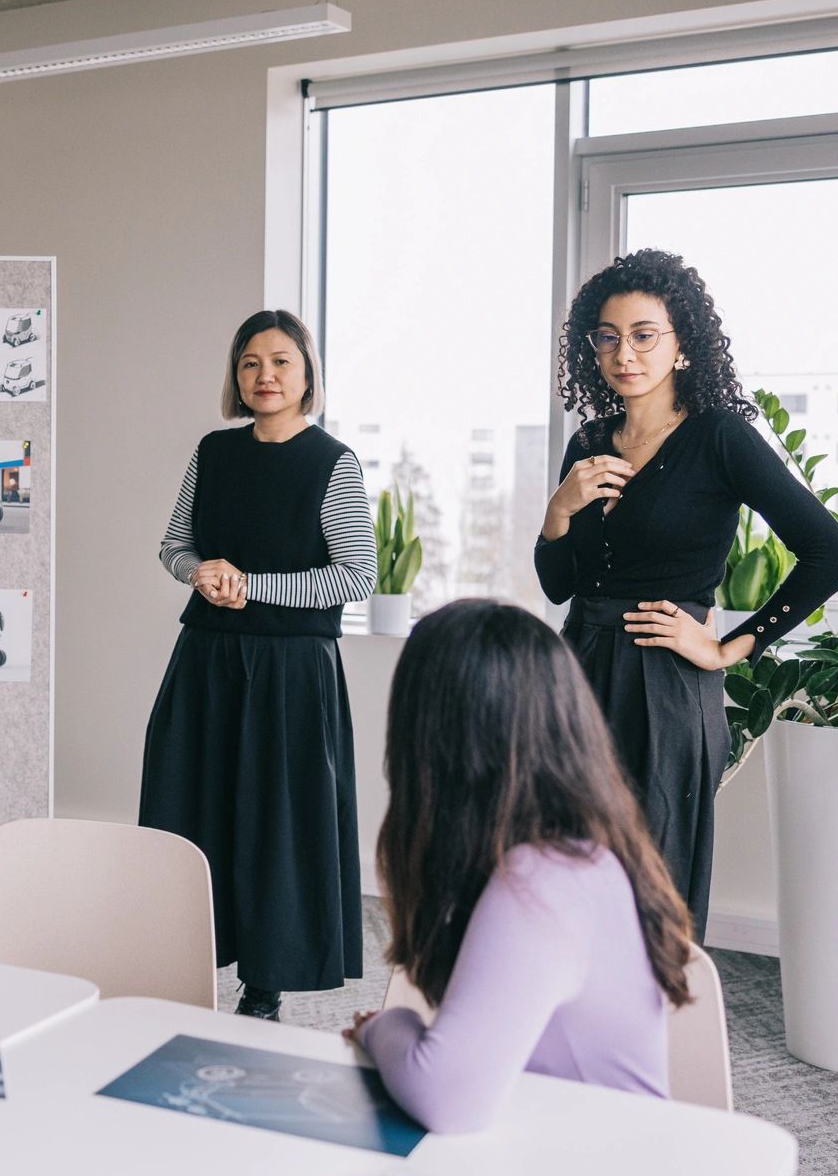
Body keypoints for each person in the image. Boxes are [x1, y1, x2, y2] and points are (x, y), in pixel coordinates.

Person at [534, 249, 838, 934]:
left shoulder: (719, 438)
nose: (626, 353)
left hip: (666, 685)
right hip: (578, 674)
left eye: (645, 334)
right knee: (568, 867)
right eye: (608, 336)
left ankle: (649, 1038)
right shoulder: (590, 442)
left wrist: (727, 648)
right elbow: (559, 586)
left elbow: (832, 554)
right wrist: (559, 512)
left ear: (682, 345)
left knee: (653, 883)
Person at [351, 600, 696, 1133]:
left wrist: (388, 1027)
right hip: (552, 1147)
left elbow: (447, 1099)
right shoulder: (564, 851)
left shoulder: (547, 877)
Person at [140, 309, 377, 1018]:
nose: (264, 375)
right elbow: (173, 544)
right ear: (235, 377)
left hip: (291, 674)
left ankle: (264, 988)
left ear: (307, 374)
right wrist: (198, 572)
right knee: (194, 807)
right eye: (250, 363)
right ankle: (179, 959)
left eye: (279, 361)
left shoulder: (332, 464)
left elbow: (356, 576)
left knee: (276, 825)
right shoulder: (213, 453)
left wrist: (254, 586)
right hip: (207, 663)